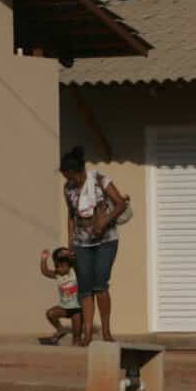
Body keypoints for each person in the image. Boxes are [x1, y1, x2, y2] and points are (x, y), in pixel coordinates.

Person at [57, 145, 128, 344]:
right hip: (82, 243)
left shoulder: (99, 180)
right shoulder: (68, 189)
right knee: (85, 288)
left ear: (78, 171)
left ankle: (105, 331)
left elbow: (121, 203)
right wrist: (70, 244)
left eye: (70, 176)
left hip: (106, 240)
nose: (68, 180)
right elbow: (71, 216)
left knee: (100, 285)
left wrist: (104, 221)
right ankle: (88, 334)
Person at [39, 247, 83, 345]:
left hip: (76, 310)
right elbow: (45, 271)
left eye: (63, 266)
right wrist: (43, 259)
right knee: (50, 314)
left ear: (69, 265)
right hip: (64, 308)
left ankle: (77, 340)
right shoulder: (57, 275)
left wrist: (70, 254)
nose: (60, 269)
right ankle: (60, 329)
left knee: (76, 340)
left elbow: (75, 259)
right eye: (58, 267)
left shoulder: (73, 272)